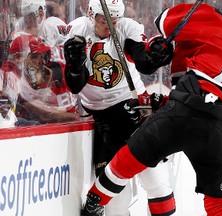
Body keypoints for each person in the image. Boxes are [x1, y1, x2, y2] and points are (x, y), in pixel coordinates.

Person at [79, 0, 222, 215]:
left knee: (130, 157)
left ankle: (94, 200)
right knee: (221, 202)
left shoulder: (215, 21)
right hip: (220, 128)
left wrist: (159, 46)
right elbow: (218, 86)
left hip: (181, 112)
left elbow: (164, 20)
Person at [64, 0, 175, 215]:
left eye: (114, 20)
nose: (109, 25)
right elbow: (75, 86)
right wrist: (75, 66)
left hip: (132, 107)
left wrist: (154, 58)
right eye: (103, 19)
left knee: (155, 179)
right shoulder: (77, 31)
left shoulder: (127, 28)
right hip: (103, 118)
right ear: (90, 14)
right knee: (114, 197)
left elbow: (142, 61)